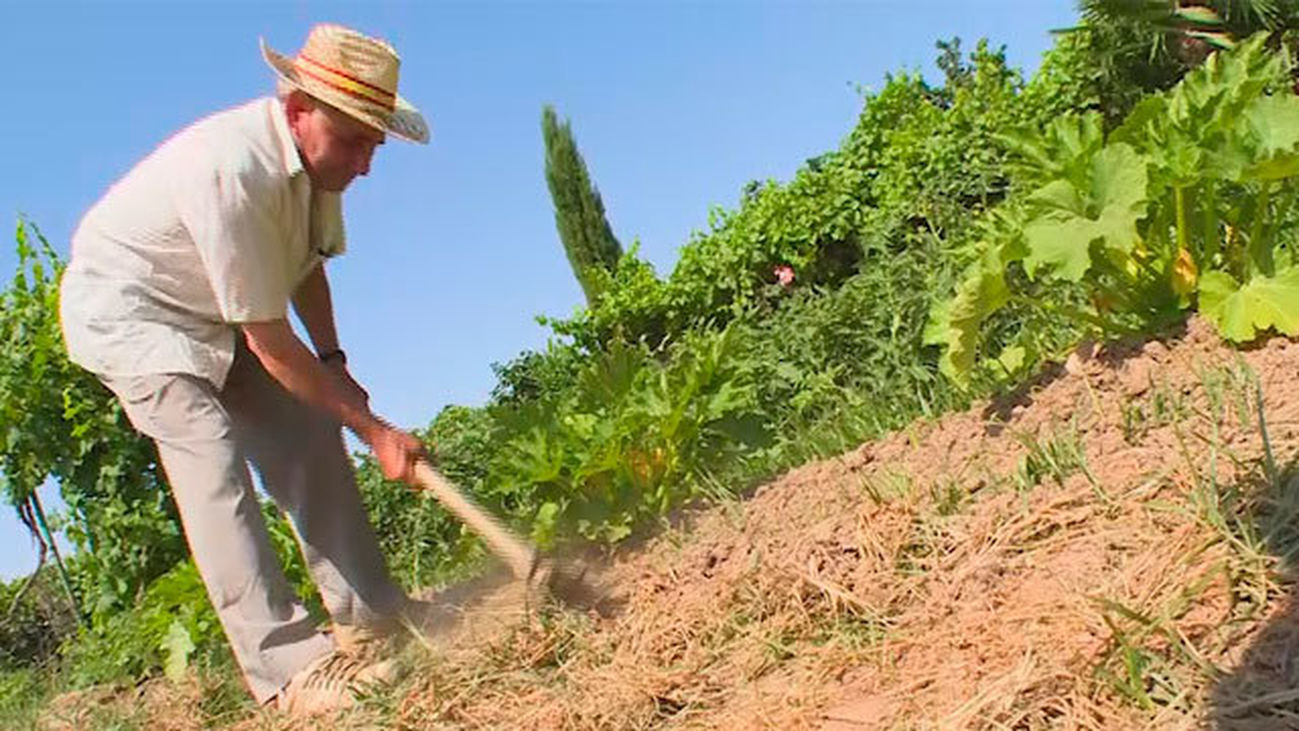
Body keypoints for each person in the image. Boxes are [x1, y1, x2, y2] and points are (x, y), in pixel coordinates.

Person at [59, 23, 430, 714]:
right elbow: (269, 342)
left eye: (373, 146)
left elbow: (306, 268)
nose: (364, 164)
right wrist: (375, 430)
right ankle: (290, 672)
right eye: (353, 141)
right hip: (132, 311)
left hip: (214, 307)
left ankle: (371, 617)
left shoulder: (318, 170)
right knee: (210, 455)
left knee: (309, 424)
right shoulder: (232, 172)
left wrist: (334, 364)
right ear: (298, 109)